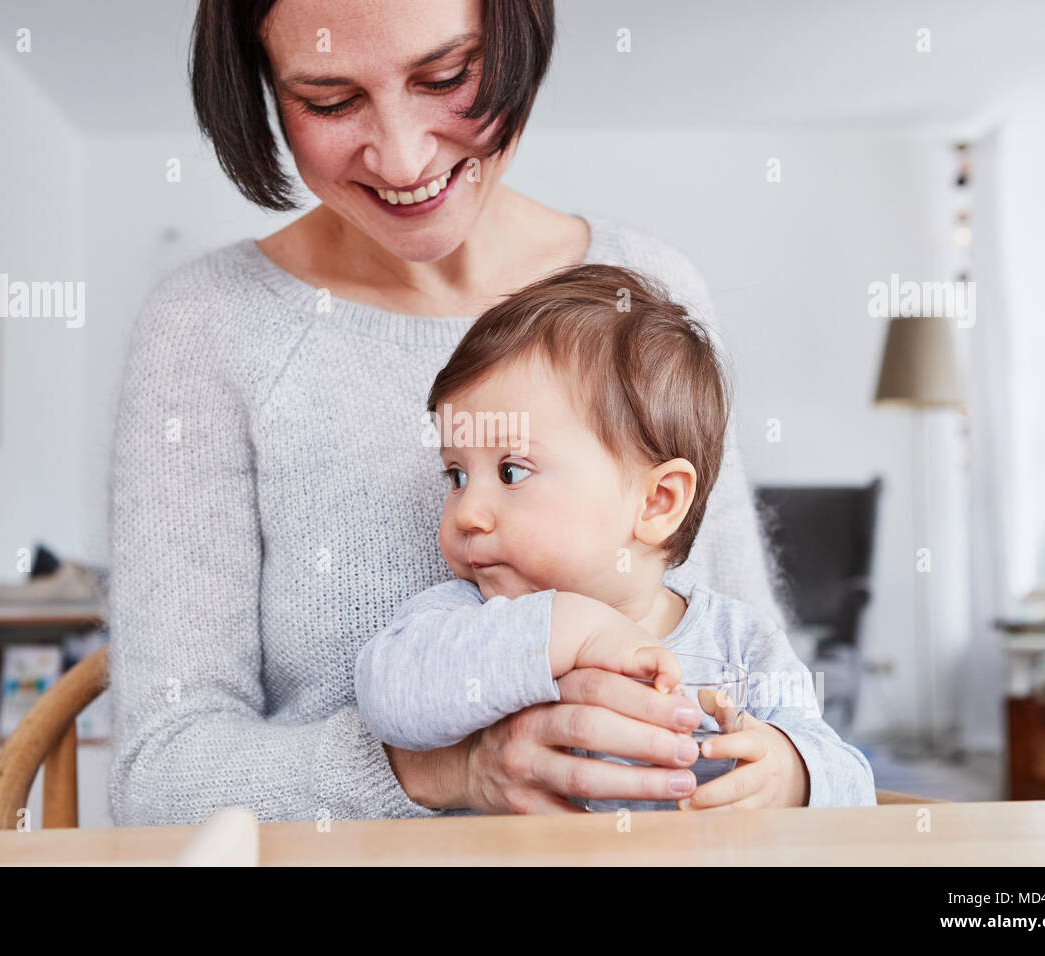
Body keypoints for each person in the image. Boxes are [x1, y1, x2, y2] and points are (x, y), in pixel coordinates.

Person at [108, 0, 785, 824]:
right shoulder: (209, 328)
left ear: (514, 40)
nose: (401, 156)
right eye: (328, 100)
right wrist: (441, 772)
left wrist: (788, 769)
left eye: (446, 76)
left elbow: (775, 701)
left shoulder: (648, 295)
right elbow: (159, 781)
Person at [355, 263, 876, 811]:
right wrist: (568, 627)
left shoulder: (739, 643)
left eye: (511, 471)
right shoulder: (470, 621)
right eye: (457, 475)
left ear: (656, 502)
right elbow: (386, 695)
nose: (467, 512)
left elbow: (854, 784)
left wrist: (792, 773)